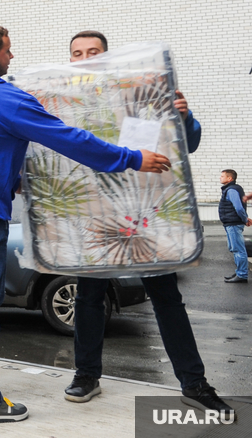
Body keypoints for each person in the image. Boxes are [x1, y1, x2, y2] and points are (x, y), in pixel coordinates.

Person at [0, 24, 171, 424]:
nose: (12, 58)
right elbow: (69, 138)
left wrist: (13, 181)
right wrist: (131, 158)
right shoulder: (5, 98)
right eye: (7, 51)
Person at [65, 31, 233, 415]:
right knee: (89, 299)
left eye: (93, 52)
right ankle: (86, 375)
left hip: (145, 215)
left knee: (167, 299)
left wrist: (185, 118)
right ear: (69, 60)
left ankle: (194, 383)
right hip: (95, 217)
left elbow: (184, 144)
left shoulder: (137, 93)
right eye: (77, 53)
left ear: (108, 57)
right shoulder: (63, 103)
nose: (85, 57)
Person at [219, 169, 250, 284]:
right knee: (234, 248)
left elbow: (238, 207)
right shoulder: (230, 189)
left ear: (229, 178)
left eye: (222, 176)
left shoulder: (231, 190)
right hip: (230, 223)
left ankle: (242, 274)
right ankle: (239, 272)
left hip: (233, 224)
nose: (220, 178)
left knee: (238, 249)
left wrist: (245, 219)